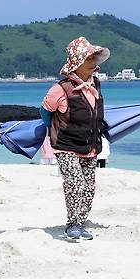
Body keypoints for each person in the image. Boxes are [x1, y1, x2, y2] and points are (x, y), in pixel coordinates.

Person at [42, 36, 110, 240]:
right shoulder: (60, 88)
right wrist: (50, 130)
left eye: (94, 59)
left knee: (89, 187)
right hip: (66, 145)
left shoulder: (96, 84)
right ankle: (72, 224)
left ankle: (81, 222)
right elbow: (45, 110)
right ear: (76, 63)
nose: (93, 63)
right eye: (89, 59)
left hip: (90, 145)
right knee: (75, 183)